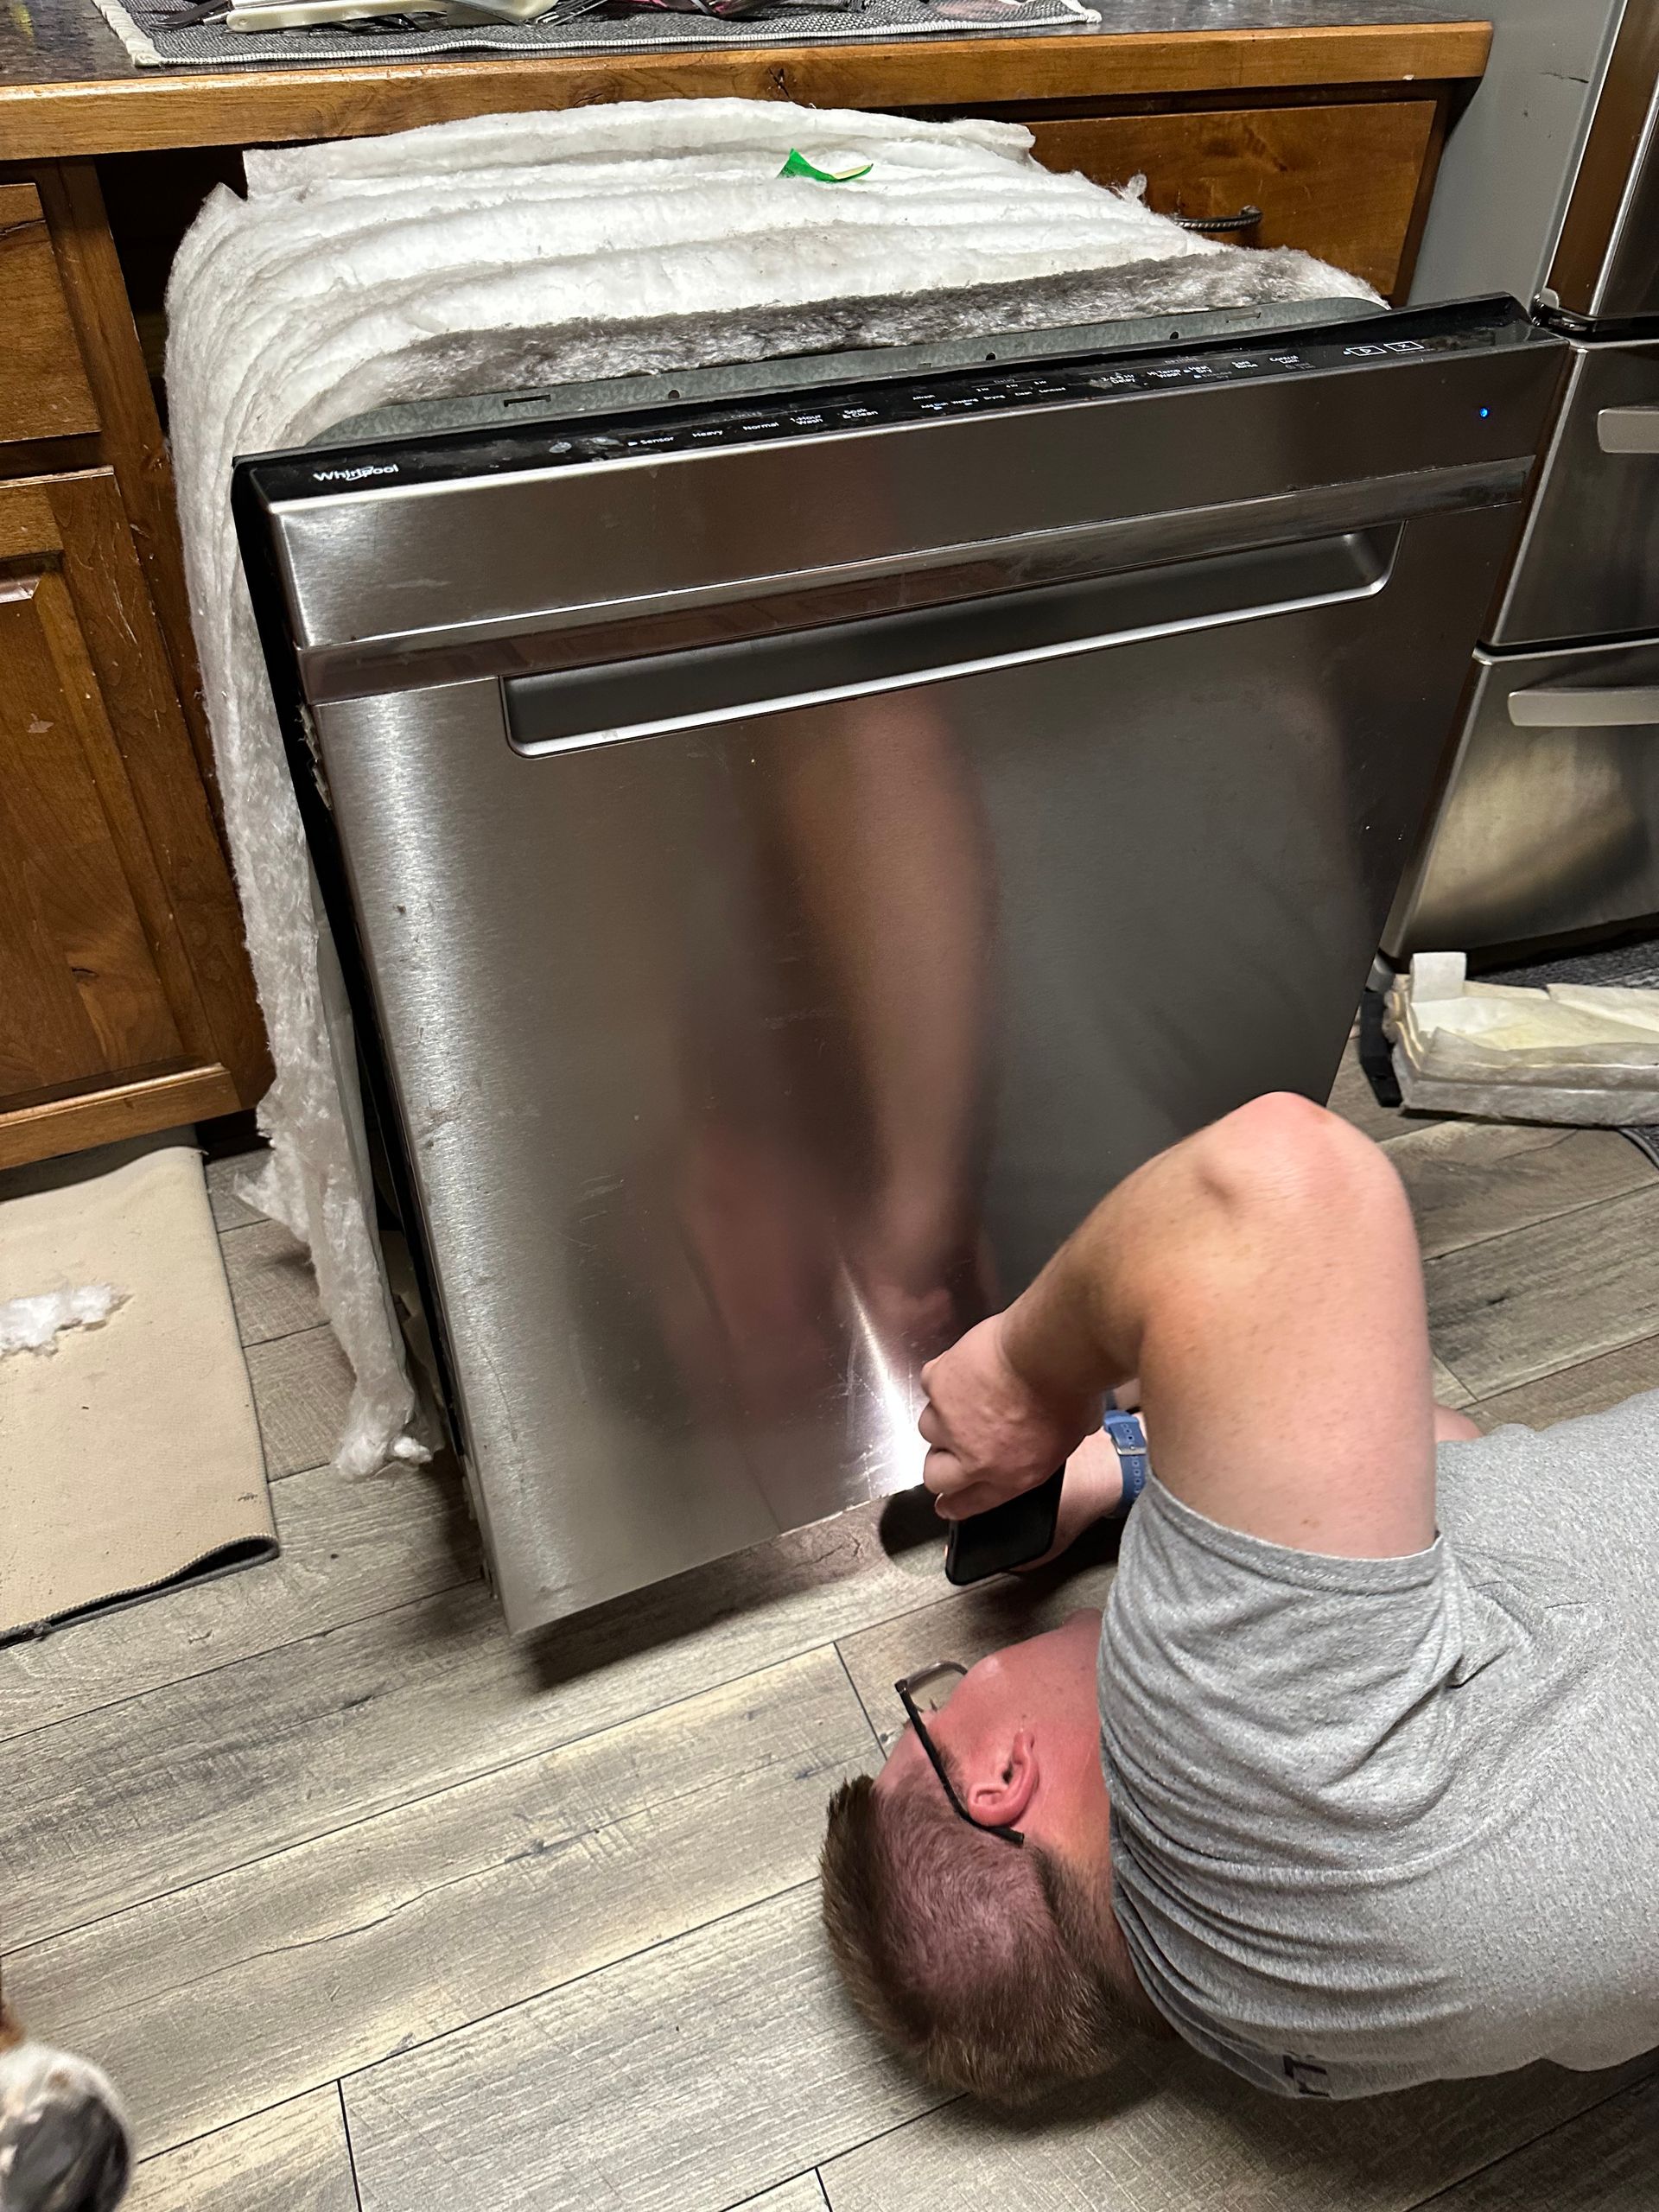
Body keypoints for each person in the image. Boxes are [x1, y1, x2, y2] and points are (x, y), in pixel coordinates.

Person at [821, 1091, 1659, 2103]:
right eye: (933, 1708)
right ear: (998, 1776)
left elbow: (1443, 1474)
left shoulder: (1288, 2034)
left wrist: (1129, 1467)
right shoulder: (1206, 1766)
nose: (957, 1684)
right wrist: (1018, 1376)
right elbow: (1272, 1185)